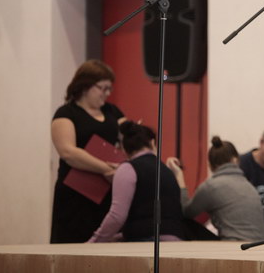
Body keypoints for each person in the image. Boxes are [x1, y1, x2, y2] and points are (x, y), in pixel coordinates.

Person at [50, 59, 126, 243]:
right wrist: (106, 169)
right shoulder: (66, 113)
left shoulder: (112, 111)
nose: (107, 93)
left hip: (108, 193)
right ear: (85, 86)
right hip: (75, 196)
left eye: (109, 89)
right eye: (102, 88)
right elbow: (68, 152)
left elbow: (130, 138)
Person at [89, 121, 186, 242]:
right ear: (152, 143)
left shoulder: (128, 168)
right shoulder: (167, 171)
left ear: (123, 148)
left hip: (145, 241)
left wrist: (93, 242)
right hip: (176, 240)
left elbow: (117, 217)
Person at [166, 136, 264, 241]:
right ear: (236, 161)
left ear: (210, 165)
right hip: (259, 245)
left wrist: (179, 176)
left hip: (234, 245)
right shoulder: (249, 186)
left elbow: (185, 212)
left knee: (185, 223)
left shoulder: (211, 186)